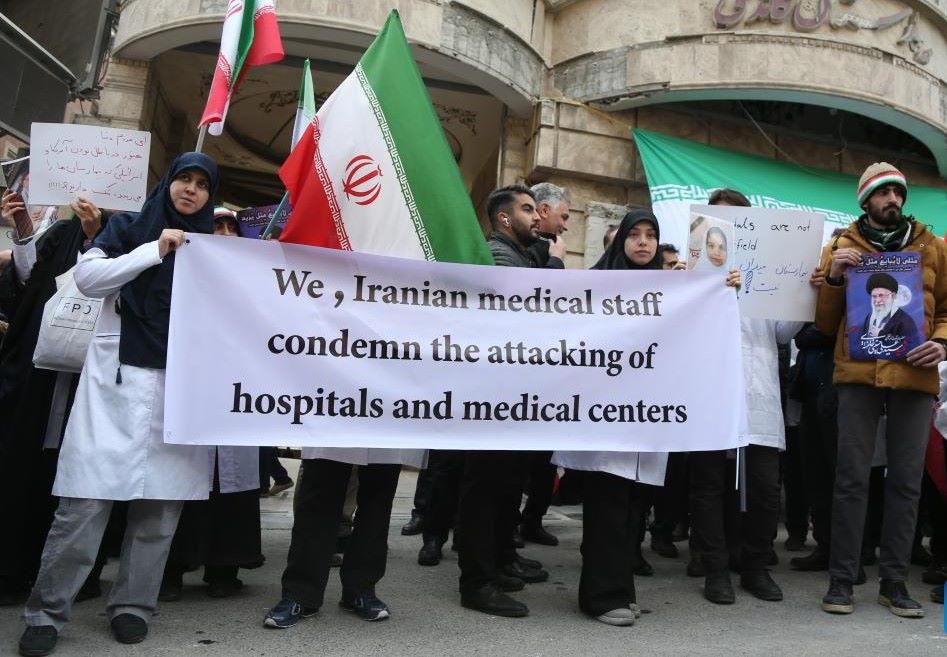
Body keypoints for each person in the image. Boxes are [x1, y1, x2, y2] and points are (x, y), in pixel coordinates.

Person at [16, 152, 219, 657]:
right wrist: (155, 249)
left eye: (201, 185)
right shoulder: (129, 228)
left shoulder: (214, 249)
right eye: (183, 180)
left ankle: (133, 606)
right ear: (168, 183)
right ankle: (47, 613)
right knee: (84, 506)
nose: (190, 190)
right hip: (114, 388)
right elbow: (90, 280)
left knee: (158, 513)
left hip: (178, 394)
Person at [554, 209, 741, 626]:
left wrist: (721, 287)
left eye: (650, 235)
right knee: (608, 505)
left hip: (645, 420)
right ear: (621, 241)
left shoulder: (672, 288)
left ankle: (620, 588)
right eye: (634, 234)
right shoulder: (597, 286)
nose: (643, 242)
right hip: (604, 418)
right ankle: (601, 597)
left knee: (633, 508)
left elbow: (699, 330)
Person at [816, 162, 947, 618]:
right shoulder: (840, 246)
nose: (893, 200)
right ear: (865, 200)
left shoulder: (934, 247)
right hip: (857, 376)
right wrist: (834, 277)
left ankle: (894, 582)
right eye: (884, 192)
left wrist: (942, 341)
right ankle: (842, 580)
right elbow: (824, 324)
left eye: (898, 192)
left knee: (906, 482)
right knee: (851, 479)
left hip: (914, 376)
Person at [689, 187, 804, 606]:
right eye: (719, 222)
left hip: (758, 398)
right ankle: (716, 569)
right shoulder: (690, 274)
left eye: (738, 221)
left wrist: (800, 294)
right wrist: (698, 286)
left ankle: (755, 566)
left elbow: (781, 334)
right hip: (710, 394)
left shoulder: (762, 276)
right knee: (708, 485)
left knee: (763, 489)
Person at [0, 195, 105, 607]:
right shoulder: (61, 233)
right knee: (23, 468)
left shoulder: (131, 236)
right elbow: (32, 285)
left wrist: (97, 238)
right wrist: (25, 230)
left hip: (91, 381)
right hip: (39, 380)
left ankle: (69, 577)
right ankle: (12, 569)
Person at [158, 208, 264, 601]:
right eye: (215, 226)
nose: (222, 233)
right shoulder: (181, 266)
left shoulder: (259, 274)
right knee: (183, 478)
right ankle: (171, 567)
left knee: (233, 482)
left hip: (240, 390)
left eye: (230, 228)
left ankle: (225, 567)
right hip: (194, 386)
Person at [456, 185, 550, 618]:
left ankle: (498, 561)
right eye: (528, 210)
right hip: (492, 398)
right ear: (505, 219)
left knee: (506, 485)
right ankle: (477, 582)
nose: (538, 216)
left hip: (511, 397)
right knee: (485, 490)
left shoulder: (524, 257)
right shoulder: (497, 258)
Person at [859, 272, 921, 356]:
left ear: (893, 296)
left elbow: (912, 347)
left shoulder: (905, 320)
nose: (877, 300)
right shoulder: (869, 318)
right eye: (874, 296)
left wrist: (881, 335)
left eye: (881, 295)